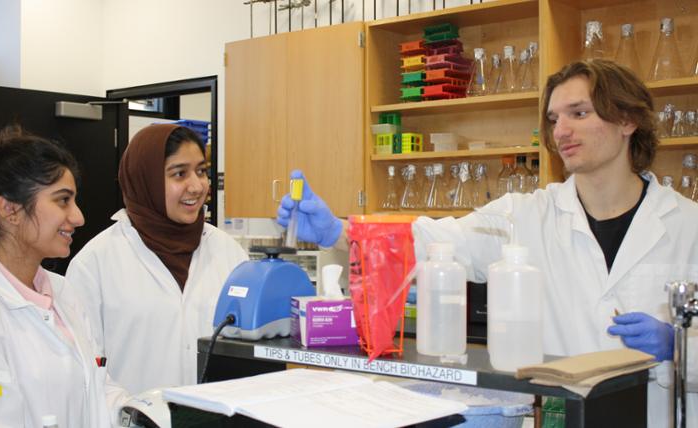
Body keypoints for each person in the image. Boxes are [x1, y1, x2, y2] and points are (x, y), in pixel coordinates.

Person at [277, 59, 697, 427]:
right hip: (561, 418)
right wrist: (338, 231)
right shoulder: (524, 215)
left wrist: (680, 347)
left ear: (627, 120)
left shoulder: (688, 226)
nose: (561, 130)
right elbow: (433, 241)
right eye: (553, 119)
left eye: (579, 113)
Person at [0, 127, 129, 427]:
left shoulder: (62, 293)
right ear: (10, 210)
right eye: (63, 201)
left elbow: (97, 391)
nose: (78, 217)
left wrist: (146, 415)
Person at [65, 124, 248, 394]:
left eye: (201, 171)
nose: (197, 186)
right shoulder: (95, 264)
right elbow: (83, 372)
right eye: (179, 174)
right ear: (146, 179)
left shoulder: (228, 252)